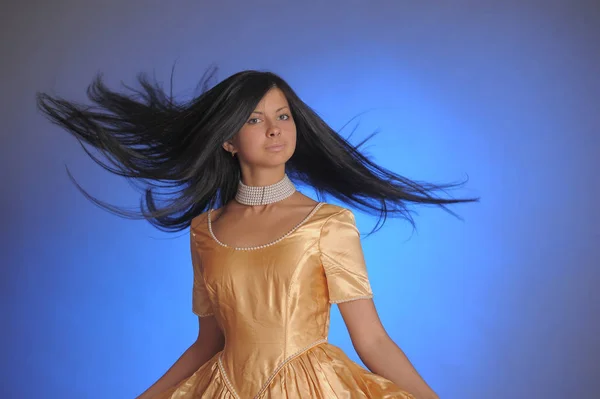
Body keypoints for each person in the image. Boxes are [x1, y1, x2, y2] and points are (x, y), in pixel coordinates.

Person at [37, 68, 476, 399]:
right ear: (227, 140)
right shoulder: (203, 231)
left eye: (283, 115)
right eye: (254, 119)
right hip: (224, 386)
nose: (274, 128)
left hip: (311, 388)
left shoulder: (328, 223)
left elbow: (373, 339)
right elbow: (209, 342)